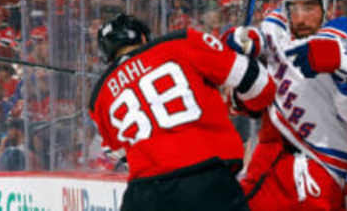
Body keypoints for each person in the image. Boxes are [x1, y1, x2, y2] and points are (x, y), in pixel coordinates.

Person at [225, 0, 347, 211]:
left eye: (309, 7)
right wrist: (243, 42)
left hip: (319, 169)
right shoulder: (276, 28)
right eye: (293, 7)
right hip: (269, 161)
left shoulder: (346, 36)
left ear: (328, 5)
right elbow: (247, 98)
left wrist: (344, 72)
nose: (299, 18)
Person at [89, 13, 276, 211]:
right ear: (144, 38)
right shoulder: (180, 42)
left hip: (143, 196)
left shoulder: (99, 97)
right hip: (206, 182)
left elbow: (119, 154)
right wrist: (241, 102)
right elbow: (261, 87)